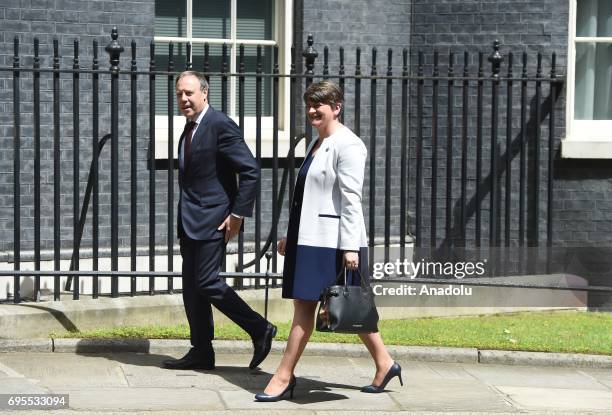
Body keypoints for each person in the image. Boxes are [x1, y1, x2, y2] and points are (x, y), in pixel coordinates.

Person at [255, 80, 402, 402]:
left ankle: (283, 376)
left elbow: (351, 199)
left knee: (315, 307)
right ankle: (385, 362)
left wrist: (350, 247)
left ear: (337, 107)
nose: (311, 111)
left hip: (333, 242)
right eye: (308, 105)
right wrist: (290, 238)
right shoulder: (317, 142)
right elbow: (310, 198)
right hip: (309, 239)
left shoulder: (348, 145)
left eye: (318, 105)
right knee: (343, 305)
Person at [163, 70, 276, 371]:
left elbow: (250, 170)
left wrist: (237, 215)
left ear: (204, 93)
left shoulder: (220, 124)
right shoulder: (190, 128)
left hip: (215, 220)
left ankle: (260, 328)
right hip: (190, 221)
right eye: (179, 94)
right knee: (191, 287)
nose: (183, 99)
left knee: (207, 281)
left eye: (189, 93)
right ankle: (201, 350)